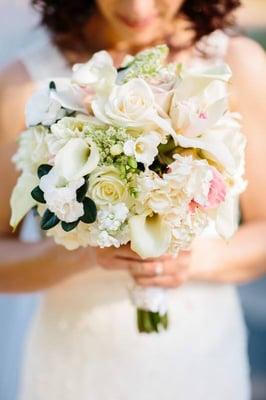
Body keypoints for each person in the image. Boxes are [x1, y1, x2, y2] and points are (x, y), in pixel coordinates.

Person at [0, 0, 266, 399]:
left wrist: (188, 261)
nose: (137, 6)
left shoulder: (237, 64)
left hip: (200, 363)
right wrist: (82, 255)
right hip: (74, 368)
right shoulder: (24, 82)